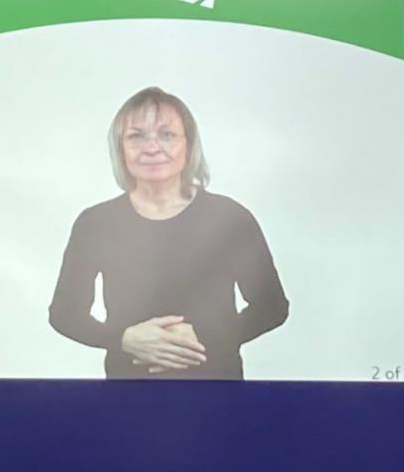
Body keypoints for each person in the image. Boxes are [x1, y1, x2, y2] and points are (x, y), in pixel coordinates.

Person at [48, 86, 289, 379]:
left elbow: (272, 305)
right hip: (127, 399)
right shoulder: (95, 223)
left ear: (188, 145)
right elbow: (64, 312)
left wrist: (205, 337)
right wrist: (122, 338)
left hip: (218, 397)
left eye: (167, 135)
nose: (152, 147)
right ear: (121, 148)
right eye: (136, 136)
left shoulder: (230, 218)